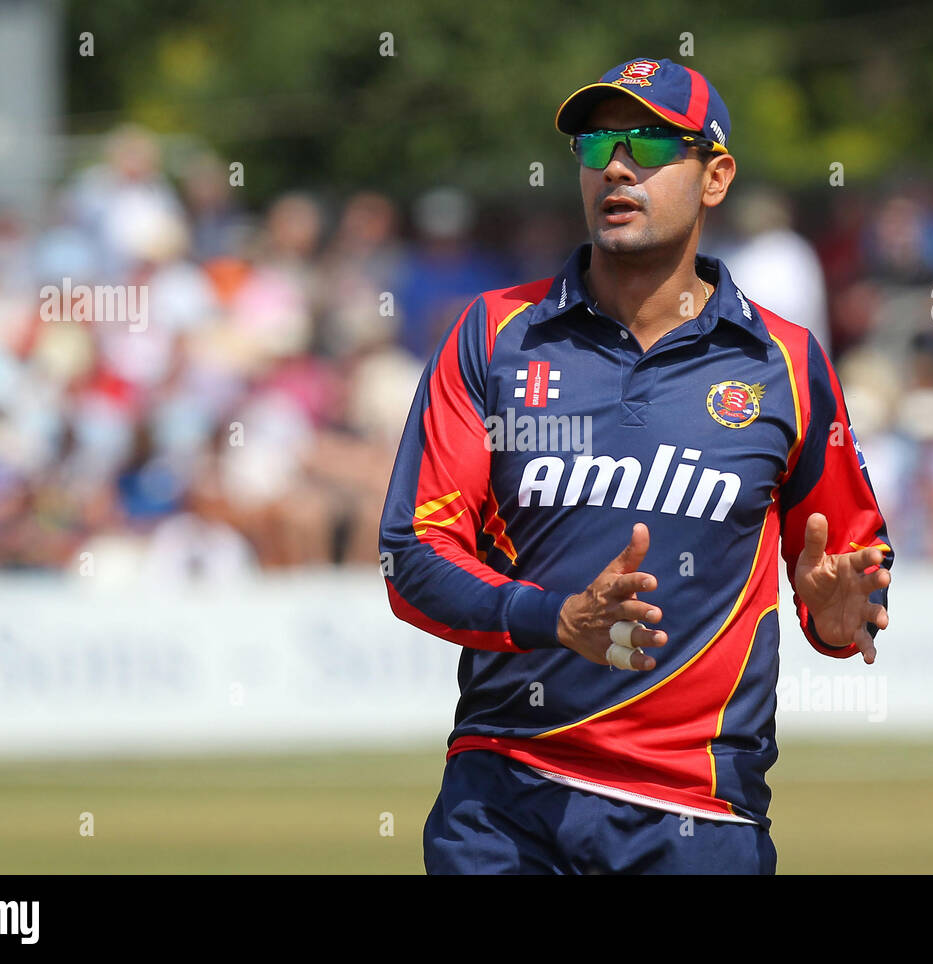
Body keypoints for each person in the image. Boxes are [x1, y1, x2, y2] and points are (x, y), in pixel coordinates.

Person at [378, 57, 894, 874]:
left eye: (650, 144)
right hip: (506, 795)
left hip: (699, 814)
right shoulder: (492, 333)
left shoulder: (788, 363)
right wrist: (559, 619)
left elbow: (849, 570)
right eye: (597, 144)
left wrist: (840, 621)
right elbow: (412, 557)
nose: (617, 165)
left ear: (715, 176)